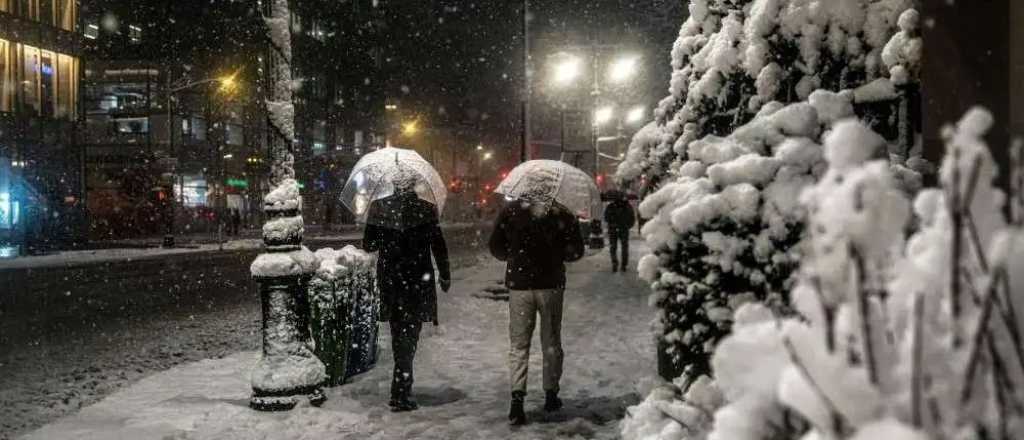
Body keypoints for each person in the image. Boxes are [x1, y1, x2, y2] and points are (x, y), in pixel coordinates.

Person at [488, 189, 585, 426]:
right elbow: (576, 251)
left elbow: (495, 247)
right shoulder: (561, 213)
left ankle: (517, 399)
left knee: (519, 344)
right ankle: (551, 394)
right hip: (550, 285)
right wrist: (555, 254)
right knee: (551, 340)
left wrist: (515, 255)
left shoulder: (510, 212)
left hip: (520, 286)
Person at [363, 180, 451, 412]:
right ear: (412, 184)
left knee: (397, 333)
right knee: (410, 335)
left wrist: (385, 234)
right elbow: (438, 245)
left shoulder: (380, 207)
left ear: (393, 183)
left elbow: (368, 244)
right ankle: (401, 388)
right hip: (416, 281)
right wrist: (445, 274)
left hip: (392, 281)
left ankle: (400, 386)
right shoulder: (426, 208)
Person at [603, 195, 636, 272]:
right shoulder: (628, 206)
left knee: (613, 247)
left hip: (613, 229)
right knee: (624, 247)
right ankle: (624, 265)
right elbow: (632, 218)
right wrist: (627, 226)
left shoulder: (610, 206)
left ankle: (614, 262)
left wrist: (612, 223)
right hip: (624, 229)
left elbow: (606, 218)